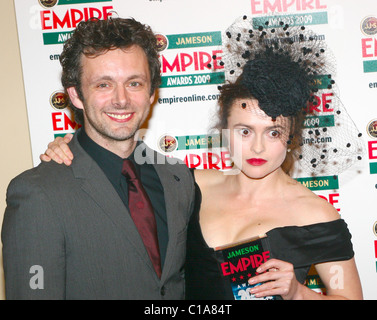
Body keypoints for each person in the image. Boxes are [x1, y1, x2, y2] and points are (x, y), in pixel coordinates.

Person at [40, 17, 364, 300]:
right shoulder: (188, 182)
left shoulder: (315, 214)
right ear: (225, 130)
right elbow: (113, 162)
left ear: (291, 135)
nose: (258, 148)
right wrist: (71, 149)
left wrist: (298, 293)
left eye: (274, 132)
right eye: (245, 131)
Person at [2, 17, 195, 299]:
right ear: (76, 96)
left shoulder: (177, 178)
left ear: (152, 92)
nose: (121, 99)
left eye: (134, 83)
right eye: (103, 85)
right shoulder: (38, 193)